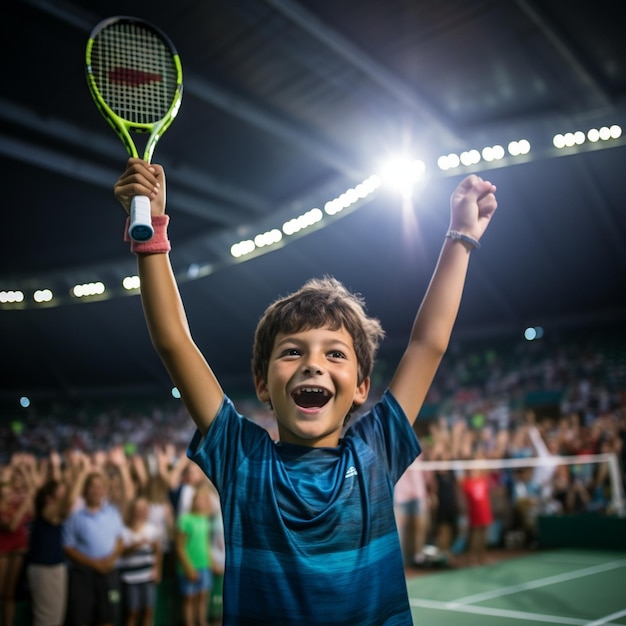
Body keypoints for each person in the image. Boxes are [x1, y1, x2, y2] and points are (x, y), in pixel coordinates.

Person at [113, 158, 497, 625]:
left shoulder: (374, 452)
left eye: (335, 354)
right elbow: (175, 343)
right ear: (263, 385)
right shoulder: (241, 458)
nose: (313, 362)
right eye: (293, 352)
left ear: (360, 388)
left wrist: (461, 237)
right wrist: (151, 232)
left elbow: (428, 344)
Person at [63, 471, 125, 626]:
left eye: (100, 487)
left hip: (110, 574)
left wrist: (109, 561)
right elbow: (68, 548)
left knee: (109, 616)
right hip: (83, 576)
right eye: (93, 487)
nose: (97, 490)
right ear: (85, 490)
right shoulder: (75, 516)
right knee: (82, 617)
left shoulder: (113, 512)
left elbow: (120, 540)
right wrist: (95, 564)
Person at [26, 479, 72, 626]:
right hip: (44, 570)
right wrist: (81, 474)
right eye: (60, 491)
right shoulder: (45, 512)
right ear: (49, 498)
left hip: (54, 568)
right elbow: (67, 505)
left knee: (56, 618)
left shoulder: (52, 514)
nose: (64, 494)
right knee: (46, 619)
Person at [118, 496, 161, 626]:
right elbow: (121, 553)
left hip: (147, 576)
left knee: (148, 610)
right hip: (130, 578)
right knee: (132, 611)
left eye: (145, 508)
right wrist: (135, 545)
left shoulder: (152, 529)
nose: (142, 511)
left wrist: (157, 569)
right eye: (139, 508)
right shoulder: (124, 531)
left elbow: (158, 551)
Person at [175, 485, 214, 626]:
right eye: (198, 499)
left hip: (204, 565)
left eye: (204, 499)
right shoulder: (185, 520)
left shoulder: (205, 519)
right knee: (189, 599)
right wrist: (188, 568)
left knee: (203, 596)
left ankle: (202, 621)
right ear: (192, 501)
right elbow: (179, 547)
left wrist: (211, 562)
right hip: (189, 566)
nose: (200, 502)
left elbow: (206, 544)